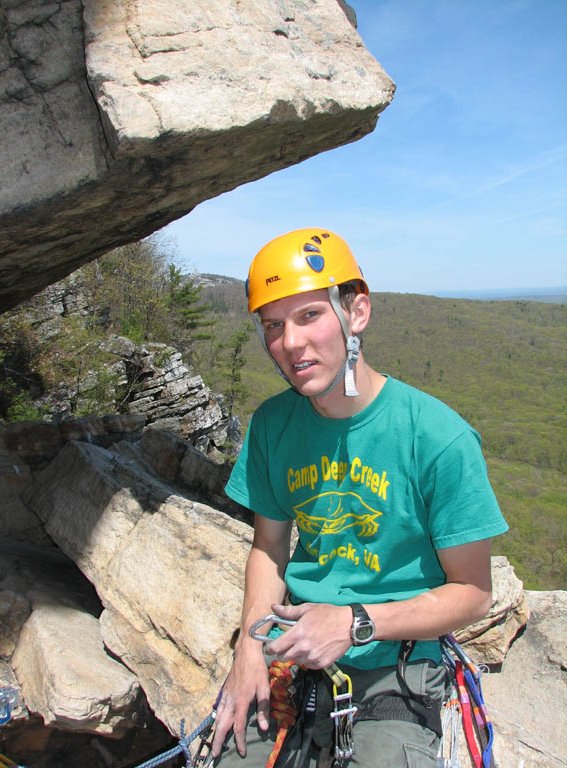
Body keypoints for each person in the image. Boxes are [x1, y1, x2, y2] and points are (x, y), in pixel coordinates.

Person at [211, 228, 508, 768]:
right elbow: (269, 548)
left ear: (358, 313)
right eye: (273, 325)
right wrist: (247, 649)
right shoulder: (274, 424)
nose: (291, 343)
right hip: (293, 648)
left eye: (309, 316)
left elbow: (472, 593)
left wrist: (354, 623)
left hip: (393, 658)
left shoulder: (438, 438)